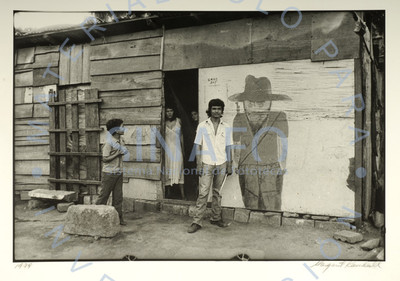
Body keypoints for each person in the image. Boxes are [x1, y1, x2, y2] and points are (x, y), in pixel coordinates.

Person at [228, 75, 291, 211]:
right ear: (244, 103)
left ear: (269, 103)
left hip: (271, 166)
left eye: (261, 103)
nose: (255, 107)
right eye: (250, 103)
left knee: (271, 202)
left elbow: (283, 144)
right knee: (250, 202)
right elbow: (236, 144)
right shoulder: (239, 118)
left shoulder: (279, 117)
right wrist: (236, 164)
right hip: (247, 166)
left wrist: (282, 166)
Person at [187, 99, 233, 233]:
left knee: (217, 193)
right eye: (214, 108)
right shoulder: (202, 126)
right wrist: (198, 163)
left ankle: (216, 218)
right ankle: (197, 222)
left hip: (222, 162)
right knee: (203, 193)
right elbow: (198, 145)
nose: (216, 111)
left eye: (219, 109)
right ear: (210, 110)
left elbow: (229, 146)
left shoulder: (227, 127)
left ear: (222, 111)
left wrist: (230, 164)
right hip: (206, 163)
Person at [95, 118, 127, 225]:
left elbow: (123, 151)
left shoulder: (121, 140)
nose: (124, 128)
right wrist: (117, 154)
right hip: (109, 174)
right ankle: (95, 218)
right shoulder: (109, 142)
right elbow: (104, 158)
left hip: (119, 172)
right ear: (117, 130)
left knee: (118, 198)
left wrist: (123, 151)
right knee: (104, 196)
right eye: (122, 126)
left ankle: (118, 219)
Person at [165, 106, 186, 200]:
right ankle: (168, 193)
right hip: (167, 150)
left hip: (177, 150)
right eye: (167, 111)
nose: (169, 113)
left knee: (179, 169)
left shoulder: (179, 121)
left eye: (171, 110)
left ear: (174, 111)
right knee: (168, 169)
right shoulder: (163, 122)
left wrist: (183, 149)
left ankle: (182, 194)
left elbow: (181, 136)